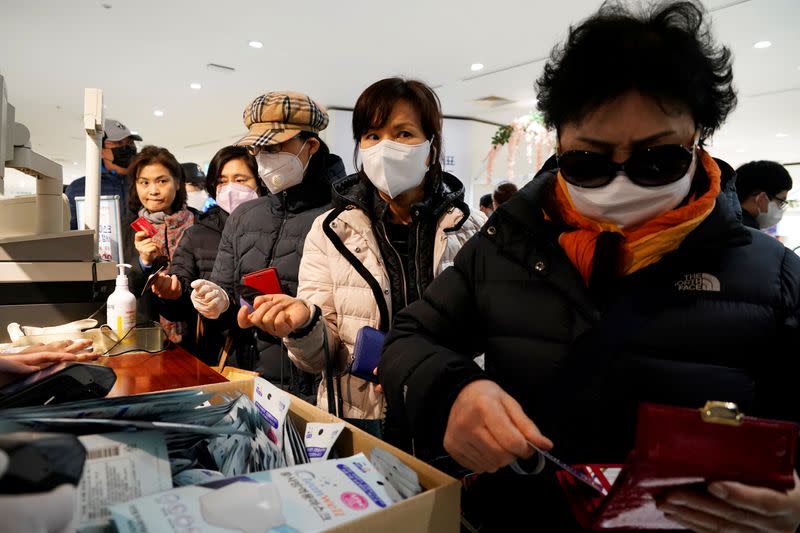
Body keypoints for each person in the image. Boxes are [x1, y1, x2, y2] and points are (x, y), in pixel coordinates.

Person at [379, 2, 800, 531]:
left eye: (657, 159)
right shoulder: (506, 242)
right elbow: (410, 337)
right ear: (559, 145)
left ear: (698, 142)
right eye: (589, 162)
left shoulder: (775, 276)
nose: (621, 183)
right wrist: (453, 390)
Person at [239, 78, 484, 437]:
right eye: (372, 135)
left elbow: (486, 334)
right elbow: (320, 357)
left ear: (431, 149)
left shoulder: (470, 230)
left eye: (403, 134)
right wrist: (303, 323)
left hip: (447, 414)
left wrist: (432, 369)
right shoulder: (331, 230)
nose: (385, 146)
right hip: (358, 419)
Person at [191, 91, 346, 401]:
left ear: (310, 146)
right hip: (247, 376)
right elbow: (225, 287)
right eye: (257, 149)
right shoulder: (245, 215)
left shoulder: (342, 215)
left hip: (316, 385)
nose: (263, 158)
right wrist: (217, 299)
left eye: (274, 148)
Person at [152, 147, 263, 365]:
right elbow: (179, 303)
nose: (231, 188)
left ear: (261, 181)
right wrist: (171, 293)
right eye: (222, 181)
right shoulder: (197, 234)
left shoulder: (275, 229)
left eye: (240, 179)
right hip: (219, 355)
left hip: (273, 354)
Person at [122, 146, 194, 340]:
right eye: (144, 183)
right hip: (144, 332)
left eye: (162, 181)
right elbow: (120, 286)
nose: (153, 191)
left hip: (196, 332)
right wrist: (143, 262)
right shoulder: (125, 228)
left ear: (177, 183)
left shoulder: (198, 223)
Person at [65, 119, 141, 230]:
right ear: (100, 150)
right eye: (118, 143)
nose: (127, 148)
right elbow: (71, 232)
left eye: (130, 143)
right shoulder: (80, 188)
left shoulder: (144, 183)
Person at [735, 160, 793, 230]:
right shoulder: (747, 234)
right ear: (761, 197)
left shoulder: (723, 218)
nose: (780, 209)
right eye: (781, 202)